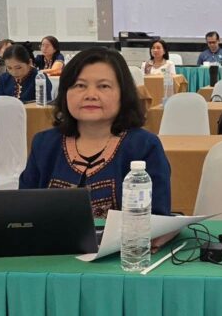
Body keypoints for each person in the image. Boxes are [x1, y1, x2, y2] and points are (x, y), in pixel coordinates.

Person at [19, 46, 170, 218]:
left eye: (103, 86)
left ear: (123, 94)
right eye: (80, 85)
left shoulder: (144, 146)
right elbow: (24, 212)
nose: (91, 95)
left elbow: (158, 218)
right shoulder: (44, 143)